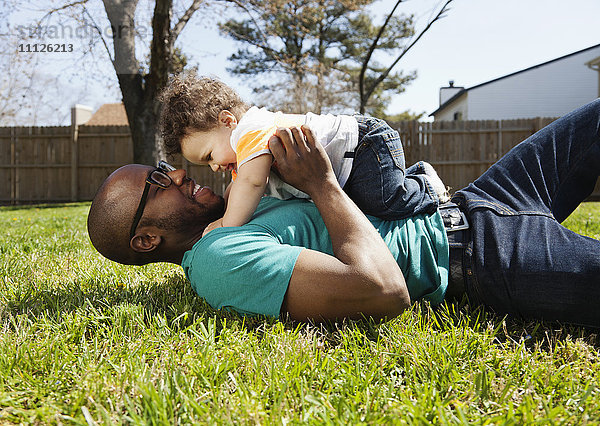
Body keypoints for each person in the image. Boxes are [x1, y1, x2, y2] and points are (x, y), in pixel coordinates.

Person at [87, 99, 600, 328]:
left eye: (164, 167)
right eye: (157, 183)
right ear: (146, 239)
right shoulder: (219, 259)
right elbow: (382, 290)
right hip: (482, 255)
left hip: (481, 197)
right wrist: (321, 183)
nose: (176, 174)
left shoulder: (238, 209)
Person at [158, 73, 448, 229]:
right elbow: (238, 188)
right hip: (351, 162)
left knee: (387, 203)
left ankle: (426, 184)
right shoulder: (243, 153)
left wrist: (226, 223)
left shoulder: (249, 130)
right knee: (365, 209)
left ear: (227, 121)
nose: (213, 167)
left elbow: (252, 183)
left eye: (209, 156)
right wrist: (223, 205)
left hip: (364, 146)